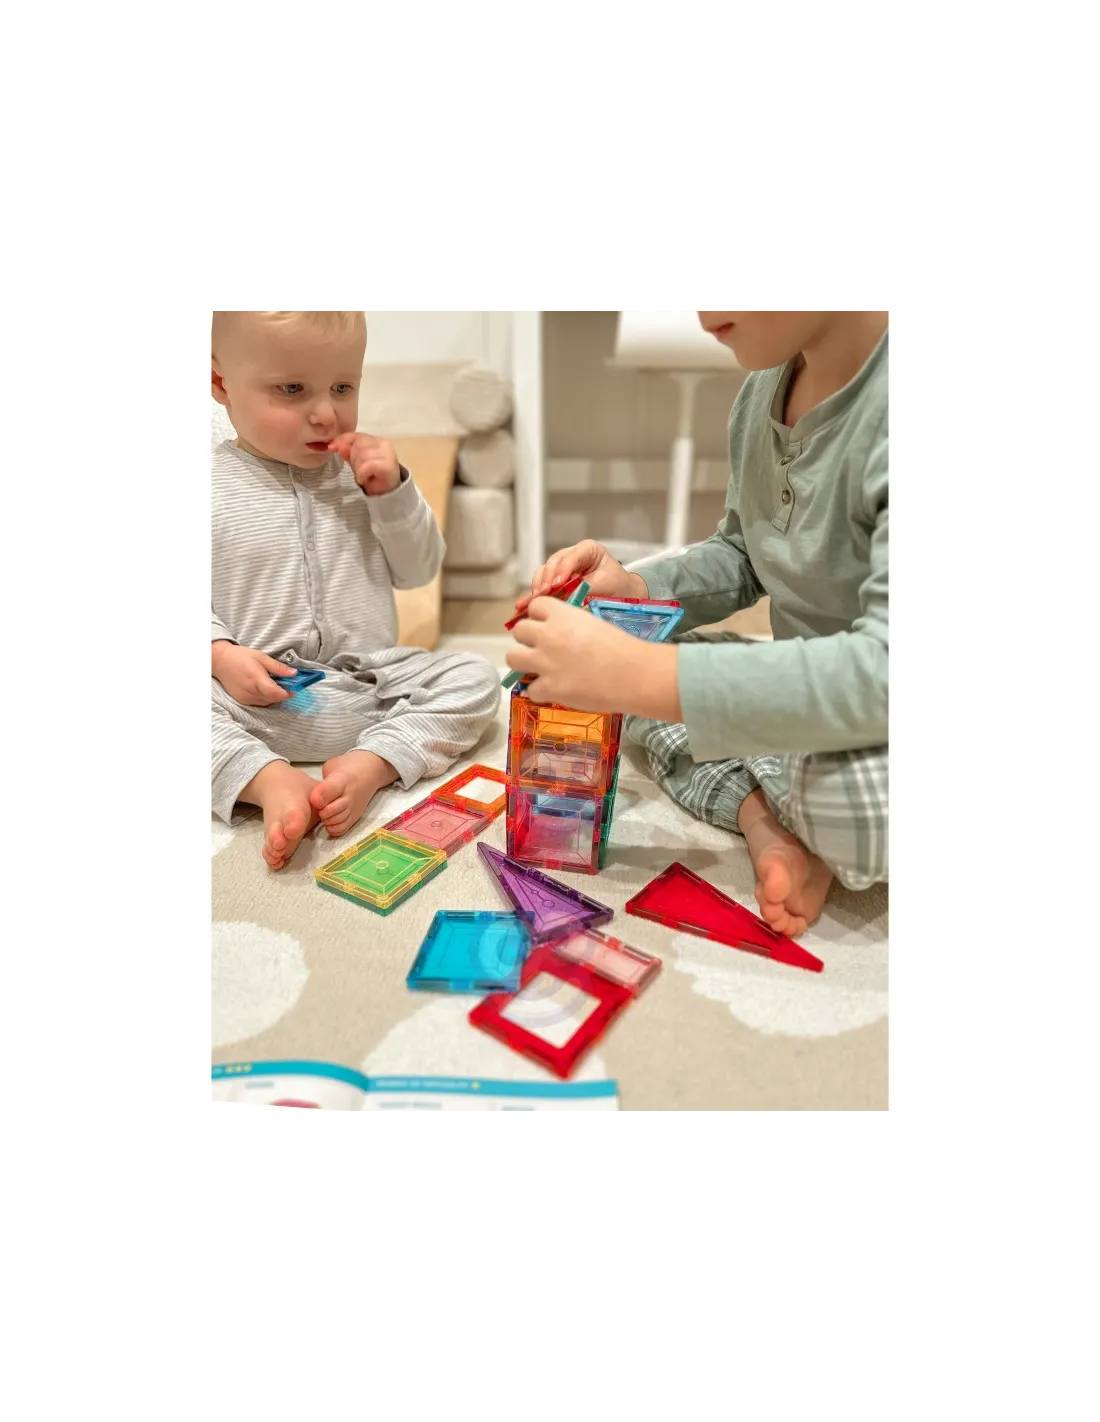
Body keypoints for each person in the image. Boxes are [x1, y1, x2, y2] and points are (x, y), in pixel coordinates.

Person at [507, 307, 887, 936]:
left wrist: (637, 676)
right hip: (804, 702)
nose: (703, 309)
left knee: (842, 802)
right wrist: (636, 591)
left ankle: (791, 802)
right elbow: (744, 553)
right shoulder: (763, 390)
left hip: (878, 712)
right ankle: (764, 815)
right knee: (639, 652)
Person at [211, 307, 499, 869]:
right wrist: (220, 654)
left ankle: (376, 762)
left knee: (475, 677)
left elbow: (418, 570)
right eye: (292, 389)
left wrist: (392, 495)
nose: (326, 413)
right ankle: (266, 779)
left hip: (370, 688)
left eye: (342, 387)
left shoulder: (362, 476)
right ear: (220, 383)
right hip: (255, 700)